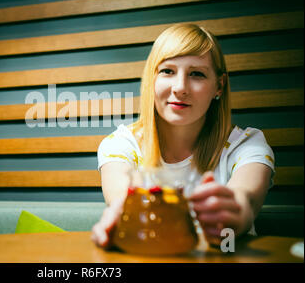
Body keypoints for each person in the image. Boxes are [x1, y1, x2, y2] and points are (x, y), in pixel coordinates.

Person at [91, 24, 275, 248]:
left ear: (219, 86)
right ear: (152, 79)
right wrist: (122, 210)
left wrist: (234, 215)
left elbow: (245, 198)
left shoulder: (246, 144)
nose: (180, 87)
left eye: (196, 74)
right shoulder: (121, 143)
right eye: (167, 71)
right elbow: (120, 196)